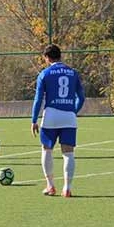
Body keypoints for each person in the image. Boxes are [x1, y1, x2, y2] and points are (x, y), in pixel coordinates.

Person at [31, 44, 85, 198]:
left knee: (46, 148)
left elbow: (38, 99)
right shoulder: (73, 73)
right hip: (68, 116)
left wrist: (34, 119)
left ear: (47, 58)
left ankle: (50, 185)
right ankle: (67, 188)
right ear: (60, 56)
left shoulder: (45, 73)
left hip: (51, 115)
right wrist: (73, 110)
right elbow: (81, 97)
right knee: (68, 153)